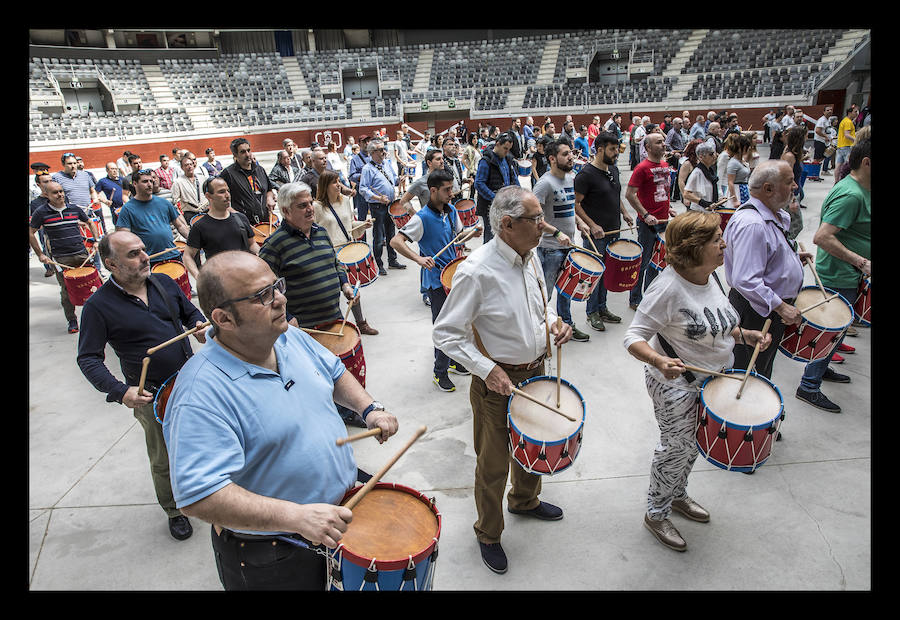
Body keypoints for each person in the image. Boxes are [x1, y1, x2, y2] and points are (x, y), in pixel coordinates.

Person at [161, 250, 399, 590]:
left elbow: (333, 373)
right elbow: (198, 494)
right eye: (263, 295)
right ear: (223, 318)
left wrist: (368, 407)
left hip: (336, 520)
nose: (280, 299)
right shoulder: (200, 393)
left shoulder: (289, 337)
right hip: (275, 552)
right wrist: (297, 517)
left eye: (277, 286)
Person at [432, 185, 573, 575]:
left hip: (534, 373)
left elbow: (541, 304)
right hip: (497, 382)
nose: (544, 226)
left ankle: (524, 501)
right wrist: (485, 369)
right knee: (493, 463)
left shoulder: (528, 255)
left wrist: (553, 324)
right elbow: (446, 333)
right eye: (536, 219)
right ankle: (489, 533)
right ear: (508, 225)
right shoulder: (477, 270)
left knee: (531, 447)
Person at [623, 210, 771, 552]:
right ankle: (656, 512)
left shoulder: (710, 277)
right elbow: (633, 336)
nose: (724, 244)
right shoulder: (668, 288)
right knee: (675, 449)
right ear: (693, 248)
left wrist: (744, 334)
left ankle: (677, 495)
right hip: (676, 384)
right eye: (716, 239)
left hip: (714, 381)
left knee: (693, 446)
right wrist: (659, 360)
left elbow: (715, 322)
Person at [76, 230, 207, 541]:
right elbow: (88, 359)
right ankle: (174, 510)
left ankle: (211, 488)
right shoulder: (98, 306)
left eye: (143, 250)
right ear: (111, 264)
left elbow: (189, 312)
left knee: (205, 439)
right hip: (151, 396)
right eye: (133, 254)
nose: (145, 256)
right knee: (163, 456)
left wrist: (198, 323)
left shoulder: (163, 283)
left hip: (191, 381)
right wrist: (122, 391)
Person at [794, 138, 870, 413]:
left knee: (836, 334)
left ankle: (821, 370)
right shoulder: (851, 195)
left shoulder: (859, 188)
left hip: (848, 274)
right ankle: (809, 386)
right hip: (839, 274)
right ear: (866, 162)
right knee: (829, 331)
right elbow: (822, 237)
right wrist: (860, 262)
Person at [723, 160, 811, 385]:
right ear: (768, 189)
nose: (795, 187)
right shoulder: (753, 224)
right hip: (755, 312)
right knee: (746, 376)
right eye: (789, 182)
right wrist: (781, 307)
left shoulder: (772, 216)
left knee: (761, 371)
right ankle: (743, 418)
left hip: (766, 309)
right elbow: (746, 279)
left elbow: (763, 258)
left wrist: (789, 261)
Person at [391, 170, 480, 391]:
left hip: (455, 275)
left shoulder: (451, 211)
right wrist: (419, 258)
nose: (452, 193)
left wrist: (471, 234)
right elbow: (396, 241)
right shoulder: (421, 218)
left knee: (459, 322)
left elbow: (457, 236)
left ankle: (454, 361)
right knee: (443, 326)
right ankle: (439, 372)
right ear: (433, 191)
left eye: (452, 188)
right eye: (447, 190)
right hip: (436, 280)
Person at [574, 131, 635, 332]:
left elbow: (615, 196)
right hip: (595, 236)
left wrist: (625, 212)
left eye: (617, 149)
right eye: (612, 149)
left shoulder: (614, 170)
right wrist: (591, 225)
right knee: (596, 275)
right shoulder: (585, 175)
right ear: (600, 149)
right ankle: (592, 312)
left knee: (608, 273)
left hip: (613, 231)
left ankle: (602, 308)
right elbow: (576, 204)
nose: (616, 152)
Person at [532, 139, 592, 343]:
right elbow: (535, 219)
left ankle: (567, 325)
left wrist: (580, 222)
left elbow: (569, 207)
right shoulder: (544, 184)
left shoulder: (570, 178)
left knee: (566, 291)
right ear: (552, 158)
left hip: (568, 245)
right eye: (566, 154)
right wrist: (557, 233)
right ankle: (539, 331)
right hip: (549, 249)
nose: (571, 157)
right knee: (544, 295)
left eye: (571, 153)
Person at [28, 180, 101, 333]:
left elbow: (90, 222)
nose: (60, 194)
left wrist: (96, 240)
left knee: (95, 283)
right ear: (46, 195)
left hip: (82, 254)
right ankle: (72, 321)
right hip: (60, 259)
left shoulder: (73, 208)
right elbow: (31, 232)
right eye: (55, 192)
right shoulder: (41, 212)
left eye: (61, 191)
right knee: (66, 290)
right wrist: (40, 254)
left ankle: (101, 314)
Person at [313, 170, 377, 335]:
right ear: (325, 186)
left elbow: (350, 226)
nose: (339, 185)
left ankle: (361, 324)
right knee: (333, 290)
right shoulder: (317, 207)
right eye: (335, 182)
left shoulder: (346, 201)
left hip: (348, 250)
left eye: (339, 181)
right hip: (329, 254)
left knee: (353, 289)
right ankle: (334, 326)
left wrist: (363, 224)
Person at [625, 132, 677, 310]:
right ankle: (635, 299)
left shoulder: (664, 165)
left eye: (663, 141)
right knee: (643, 262)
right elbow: (630, 195)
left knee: (658, 262)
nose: (663, 144)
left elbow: (662, 191)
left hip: (664, 221)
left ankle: (651, 296)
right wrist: (645, 215)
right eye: (659, 142)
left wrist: (668, 207)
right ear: (647, 147)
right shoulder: (641, 168)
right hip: (647, 224)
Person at [183, 176, 259, 280]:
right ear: (209, 196)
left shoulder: (241, 218)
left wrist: (262, 254)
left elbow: (251, 244)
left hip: (245, 277)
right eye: (221, 192)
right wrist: (198, 277)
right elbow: (188, 256)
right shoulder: (200, 226)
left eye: (228, 191)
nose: (227, 195)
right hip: (219, 283)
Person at [115, 169, 190, 266]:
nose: (150, 184)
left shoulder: (164, 203)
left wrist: (193, 240)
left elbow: (180, 226)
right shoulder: (127, 209)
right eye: (145, 181)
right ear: (134, 183)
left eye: (151, 181)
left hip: (172, 255)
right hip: (147, 260)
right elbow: (124, 238)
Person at [358, 138, 407, 275]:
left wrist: (399, 180)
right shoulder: (367, 169)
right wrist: (378, 197)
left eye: (384, 149)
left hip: (390, 205)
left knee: (391, 234)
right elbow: (363, 189)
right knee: (379, 236)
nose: (384, 152)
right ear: (372, 152)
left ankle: (392, 260)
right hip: (378, 207)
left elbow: (393, 179)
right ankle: (379, 264)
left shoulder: (386, 163)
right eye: (380, 150)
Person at [475, 134, 521, 243]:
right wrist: (496, 198)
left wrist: (519, 194)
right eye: (505, 148)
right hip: (491, 206)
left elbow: (514, 179)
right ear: (497, 144)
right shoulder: (486, 161)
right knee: (491, 237)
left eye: (509, 149)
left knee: (506, 235)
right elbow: (479, 184)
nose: (507, 152)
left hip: (506, 205)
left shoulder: (508, 160)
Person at [219, 138, 277, 226]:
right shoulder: (228, 173)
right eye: (243, 152)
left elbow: (269, 190)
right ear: (235, 154)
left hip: (265, 222)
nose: (247, 154)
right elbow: (217, 196)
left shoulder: (260, 170)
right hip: (243, 225)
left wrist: (269, 198)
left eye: (249, 150)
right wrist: (232, 212)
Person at [170, 153, 209, 223]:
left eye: (191, 164)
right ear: (182, 167)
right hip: (190, 215)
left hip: (206, 212)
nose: (189, 166)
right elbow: (175, 202)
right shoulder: (178, 182)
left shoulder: (202, 178)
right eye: (186, 165)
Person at [682, 142, 721, 211]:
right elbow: (686, 194)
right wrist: (703, 203)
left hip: (709, 211)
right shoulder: (697, 172)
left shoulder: (710, 171)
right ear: (701, 157)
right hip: (699, 212)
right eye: (711, 154)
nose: (714, 156)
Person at [726, 133, 753, 208]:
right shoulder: (733, 163)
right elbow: (730, 182)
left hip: (744, 189)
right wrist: (734, 199)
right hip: (737, 191)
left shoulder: (742, 161)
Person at [95, 162, 125, 226]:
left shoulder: (123, 180)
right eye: (112, 169)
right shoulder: (103, 181)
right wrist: (105, 201)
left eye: (116, 169)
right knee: (120, 228)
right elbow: (95, 194)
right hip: (116, 209)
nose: (115, 171)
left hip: (127, 207)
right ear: (107, 170)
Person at [461, 132, 482, 200]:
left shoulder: (477, 149)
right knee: (472, 191)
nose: (475, 140)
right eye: (474, 138)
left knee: (479, 190)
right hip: (473, 172)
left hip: (479, 171)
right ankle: (471, 205)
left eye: (476, 138)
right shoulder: (468, 148)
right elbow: (463, 160)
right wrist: (469, 169)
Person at [835, 107, 857, 172]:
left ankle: (836, 181)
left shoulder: (844, 120)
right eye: (855, 112)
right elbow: (847, 134)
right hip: (847, 146)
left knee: (838, 165)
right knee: (847, 165)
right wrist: (856, 139)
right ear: (850, 113)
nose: (856, 114)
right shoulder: (848, 122)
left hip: (840, 145)